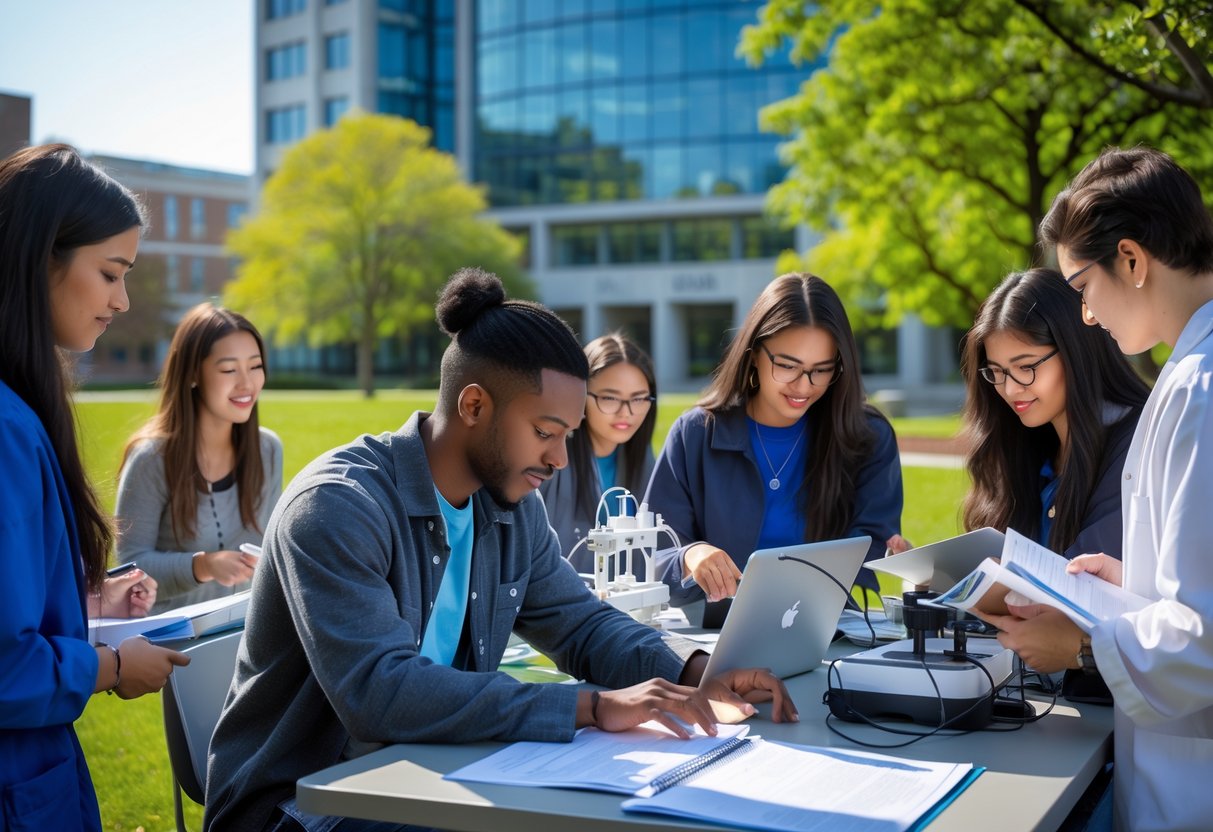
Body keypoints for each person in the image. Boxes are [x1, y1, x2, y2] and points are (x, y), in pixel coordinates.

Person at [204, 268, 795, 832]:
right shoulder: (337, 507)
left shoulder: (508, 507)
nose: (561, 459)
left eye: (566, 435)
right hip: (298, 809)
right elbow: (380, 694)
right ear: (474, 406)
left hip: (435, 775)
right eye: (545, 432)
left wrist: (698, 672)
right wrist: (588, 707)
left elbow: (581, 624)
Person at [978, 146, 1213, 831]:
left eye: (1081, 287)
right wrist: (1131, 582)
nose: (1084, 315)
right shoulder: (1187, 373)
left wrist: (1079, 646)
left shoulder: (1200, 392)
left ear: (1132, 262)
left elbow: (1202, 636)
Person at [0, 143, 189, 830]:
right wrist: (108, 666)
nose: (122, 300)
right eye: (110, 273)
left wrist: (80, 600)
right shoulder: (5, 427)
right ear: (41, 256)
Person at [645, 272, 904, 628]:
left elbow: (874, 541)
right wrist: (690, 555)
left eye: (822, 370)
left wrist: (892, 557)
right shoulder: (695, 435)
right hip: (714, 638)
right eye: (787, 365)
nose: (803, 386)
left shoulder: (868, 437)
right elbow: (652, 552)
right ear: (753, 355)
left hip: (827, 634)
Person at [961, 268, 1149, 560]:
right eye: (997, 372)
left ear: (1075, 352)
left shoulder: (1136, 444)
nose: (1010, 390)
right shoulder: (1029, 448)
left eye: (1026, 367)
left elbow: (1083, 581)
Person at [114, 302, 283, 612]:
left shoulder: (268, 450)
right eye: (229, 369)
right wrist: (203, 566)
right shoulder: (151, 459)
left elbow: (269, 552)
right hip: (170, 642)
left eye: (255, 366)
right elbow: (129, 569)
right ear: (193, 373)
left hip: (242, 637)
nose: (247, 383)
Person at [538, 332, 657, 569]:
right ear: (580, 395)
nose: (626, 412)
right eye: (610, 398)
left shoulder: (641, 457)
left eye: (638, 399)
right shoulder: (550, 458)